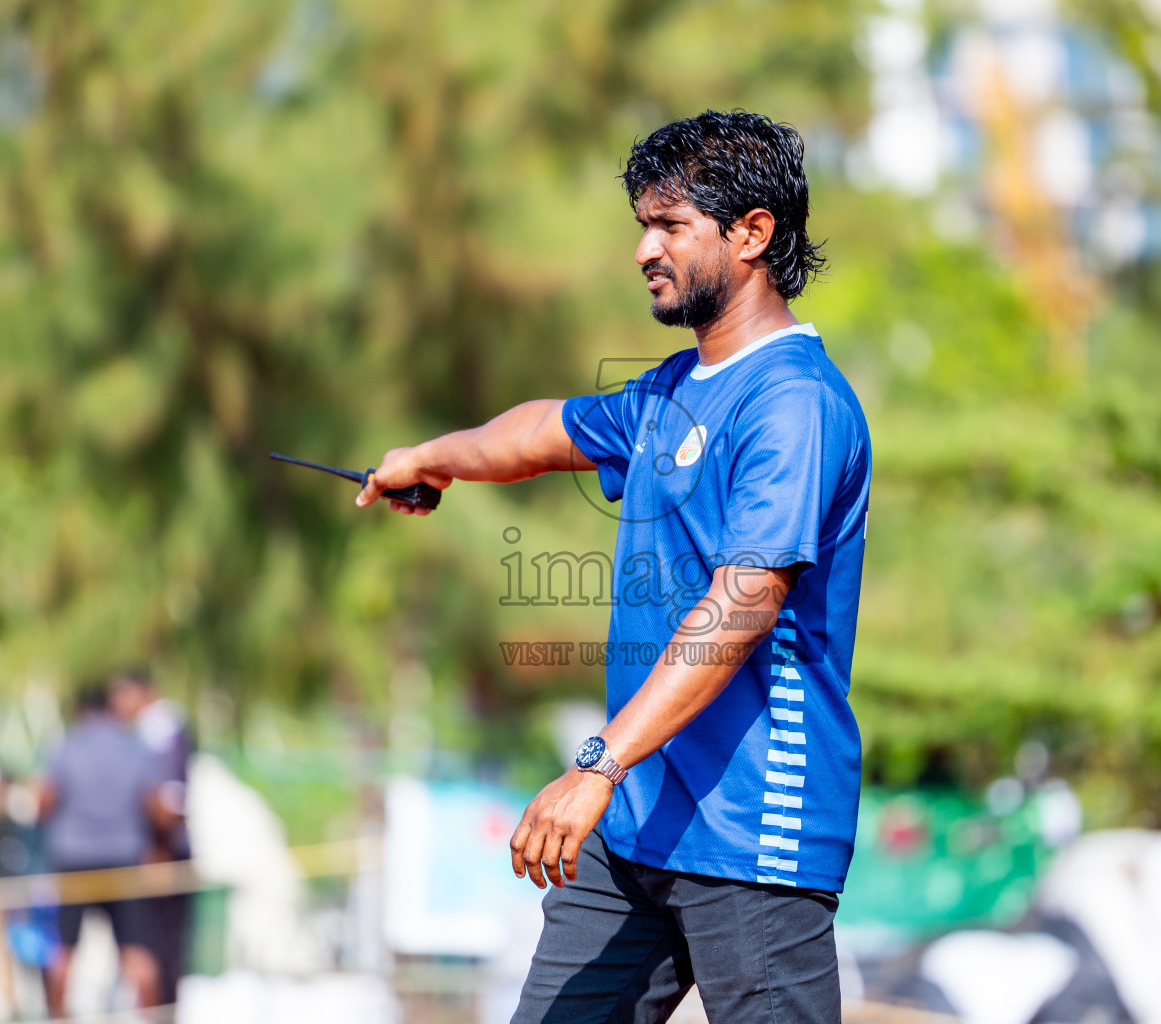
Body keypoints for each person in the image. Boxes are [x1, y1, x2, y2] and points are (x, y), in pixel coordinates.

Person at [356, 110, 872, 1024]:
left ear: (752, 234)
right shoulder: (673, 388)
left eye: (671, 225)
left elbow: (744, 604)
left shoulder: (794, 402)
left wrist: (596, 763)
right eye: (643, 223)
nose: (643, 248)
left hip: (753, 832)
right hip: (637, 825)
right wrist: (430, 456)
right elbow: (543, 431)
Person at [37, 685, 175, 1016]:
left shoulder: (67, 746)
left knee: (63, 953)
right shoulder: (133, 748)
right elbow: (157, 807)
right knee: (138, 953)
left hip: (74, 859)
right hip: (124, 861)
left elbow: (43, 801)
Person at [108, 669, 193, 1004]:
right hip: (153, 853)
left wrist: (159, 848)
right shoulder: (145, 732)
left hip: (164, 854)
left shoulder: (161, 729)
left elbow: (170, 804)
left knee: (163, 950)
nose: (117, 703)